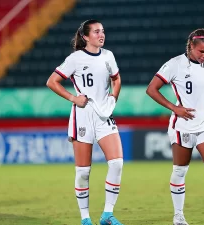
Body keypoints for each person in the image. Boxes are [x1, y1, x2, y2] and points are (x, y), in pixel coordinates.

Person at [146, 28, 204, 225]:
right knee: (180, 171)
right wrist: (174, 108)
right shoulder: (174, 65)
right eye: (201, 52)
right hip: (182, 127)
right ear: (191, 46)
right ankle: (178, 216)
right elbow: (151, 89)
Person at [46, 19, 124, 225]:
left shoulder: (109, 56)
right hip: (83, 116)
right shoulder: (75, 59)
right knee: (83, 171)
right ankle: (85, 218)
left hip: (103, 116)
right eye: (97, 31)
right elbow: (52, 81)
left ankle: (107, 214)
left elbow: (116, 78)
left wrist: (113, 98)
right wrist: (73, 98)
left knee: (116, 163)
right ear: (86, 36)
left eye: (103, 31)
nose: (102, 34)